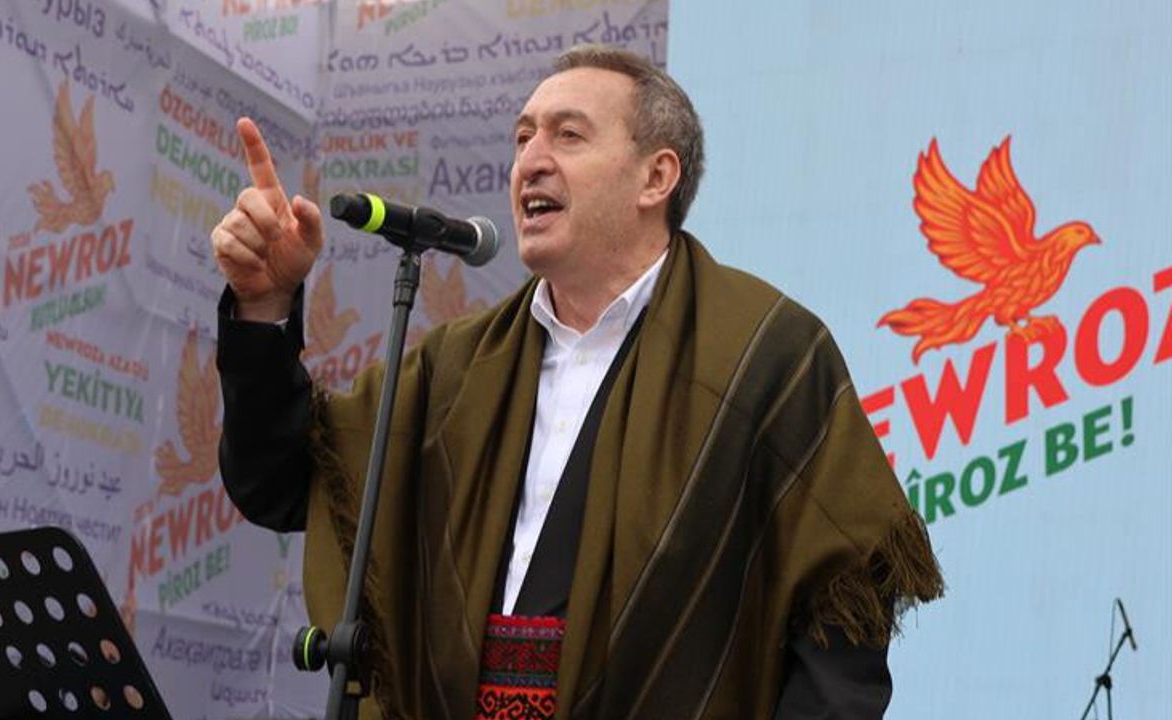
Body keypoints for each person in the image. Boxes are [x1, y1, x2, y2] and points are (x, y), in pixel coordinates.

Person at [212, 45, 943, 720]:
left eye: (568, 135)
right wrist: (262, 307)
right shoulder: (454, 369)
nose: (530, 161)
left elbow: (844, 620)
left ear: (656, 177)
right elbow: (282, 482)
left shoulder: (763, 352)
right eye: (522, 137)